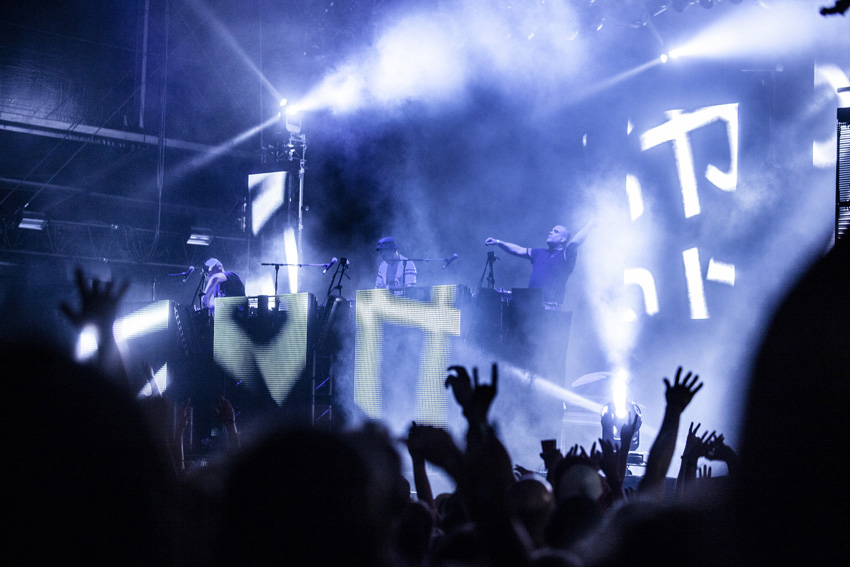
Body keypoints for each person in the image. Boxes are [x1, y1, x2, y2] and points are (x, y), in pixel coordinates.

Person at [484, 221, 592, 309]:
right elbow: (518, 250)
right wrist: (498, 242)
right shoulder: (539, 253)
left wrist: (591, 224)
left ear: (563, 239)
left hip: (550, 309)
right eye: (551, 230)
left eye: (556, 231)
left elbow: (574, 243)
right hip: (531, 307)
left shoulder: (565, 255)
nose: (551, 232)